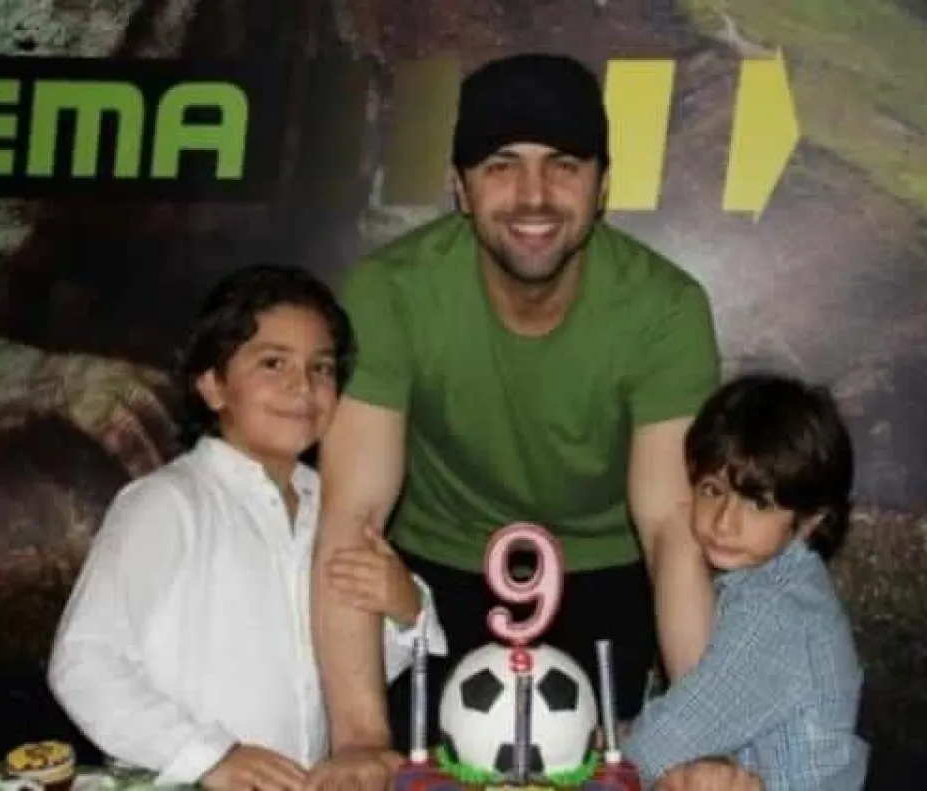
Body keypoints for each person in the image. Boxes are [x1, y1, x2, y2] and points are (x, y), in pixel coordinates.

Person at [310, 52, 722, 788]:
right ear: (459, 187)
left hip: (605, 577)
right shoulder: (390, 292)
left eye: (563, 164)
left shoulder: (666, 309)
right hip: (432, 579)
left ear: (602, 185)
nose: (534, 195)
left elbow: (671, 530)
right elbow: (352, 519)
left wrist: (702, 742)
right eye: (501, 165)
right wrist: (359, 739)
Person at [47, 264, 446, 790]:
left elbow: (354, 666)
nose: (302, 385)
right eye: (273, 363)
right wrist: (209, 757)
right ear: (213, 386)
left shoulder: (333, 508)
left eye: (322, 368)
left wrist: (405, 609)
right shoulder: (168, 503)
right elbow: (84, 661)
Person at [621, 373, 870, 790]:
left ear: (809, 521)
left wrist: (594, 747)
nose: (724, 522)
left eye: (758, 503)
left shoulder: (775, 616)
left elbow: (657, 749)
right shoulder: (769, 586)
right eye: (712, 490)